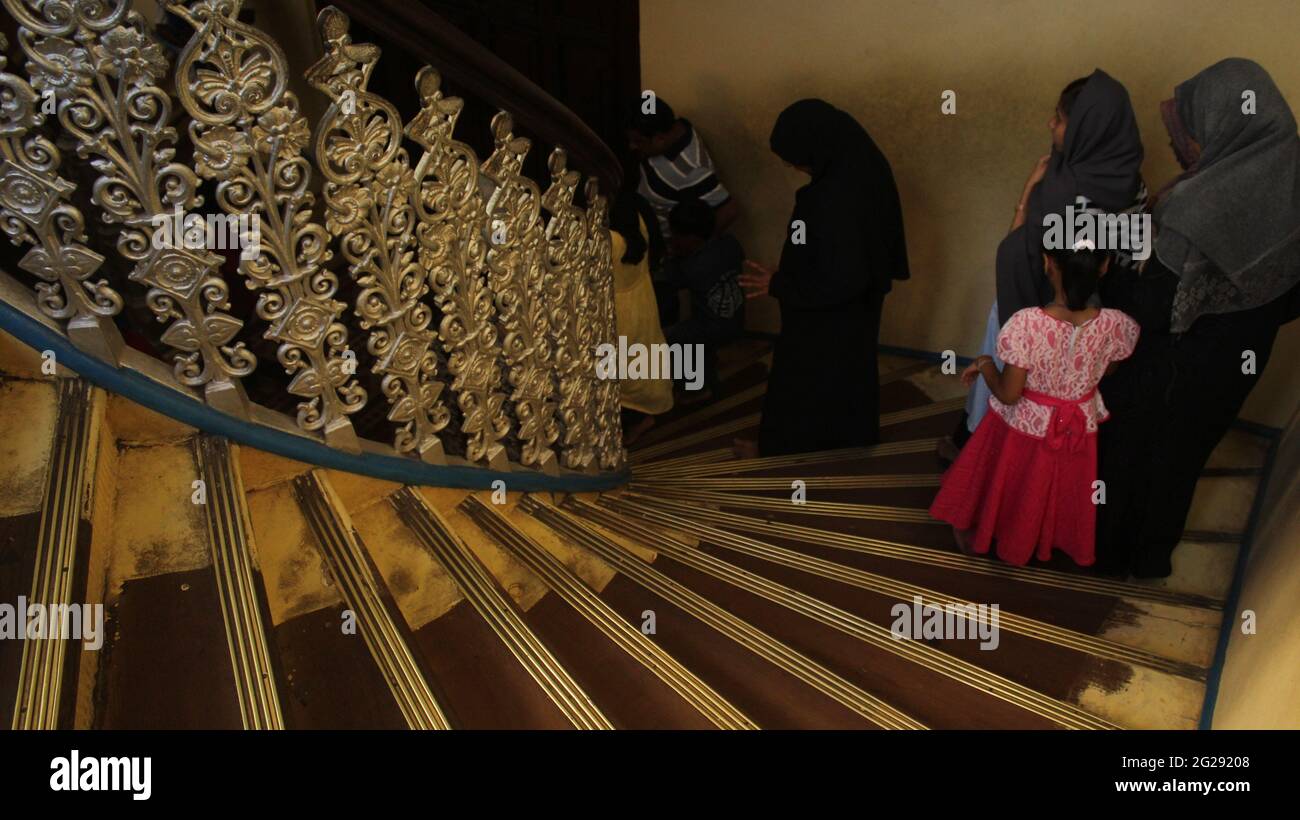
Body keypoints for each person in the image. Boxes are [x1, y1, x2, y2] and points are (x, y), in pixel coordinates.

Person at [1095, 59, 1300, 578]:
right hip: (1238, 360)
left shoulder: (1198, 205)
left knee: (1134, 453)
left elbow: (1156, 308)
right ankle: (1150, 556)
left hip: (1172, 366)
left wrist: (1109, 273)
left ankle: (1112, 558)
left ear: (1219, 122)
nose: (1179, 143)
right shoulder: (1291, 179)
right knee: (1184, 458)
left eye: (1188, 128)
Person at [944, 71, 1146, 459]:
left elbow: (1019, 253)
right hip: (1086, 324)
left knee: (1010, 396)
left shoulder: (1063, 189)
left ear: (1087, 129)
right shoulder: (1130, 181)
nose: (1050, 123)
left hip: (1032, 316)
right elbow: (1126, 259)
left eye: (1060, 117)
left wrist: (1026, 195)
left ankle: (978, 458)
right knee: (1053, 410)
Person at [930, 239, 1139, 567]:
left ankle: (994, 533)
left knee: (1016, 483)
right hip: (1077, 428)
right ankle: (1041, 541)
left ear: (1047, 264)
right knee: (1057, 488)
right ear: (1104, 267)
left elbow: (1010, 394)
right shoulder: (1117, 325)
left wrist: (985, 363)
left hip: (1023, 429)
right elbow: (1108, 368)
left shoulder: (1028, 324)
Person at [739, 99, 909, 456]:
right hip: (856, 304)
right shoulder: (863, 165)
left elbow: (841, 274)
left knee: (802, 373)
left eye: (794, 157)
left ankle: (783, 446)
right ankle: (848, 439)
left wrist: (780, 284)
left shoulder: (833, 196)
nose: (791, 165)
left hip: (825, 305)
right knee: (849, 369)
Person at [627, 95, 739, 327]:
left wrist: (686, 253)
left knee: (657, 313)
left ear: (659, 139)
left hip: (662, 254)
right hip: (650, 243)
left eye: (639, 142)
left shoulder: (691, 170)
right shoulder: (677, 129)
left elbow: (728, 210)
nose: (632, 147)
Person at [663, 199, 746, 399]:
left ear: (691, 238)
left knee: (669, 338)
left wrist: (672, 256)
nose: (672, 239)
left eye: (676, 235)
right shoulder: (730, 243)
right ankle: (708, 378)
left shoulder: (693, 266)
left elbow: (670, 278)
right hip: (736, 319)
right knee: (697, 341)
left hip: (710, 327)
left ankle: (694, 390)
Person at [609, 191, 674, 443]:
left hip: (617, 309)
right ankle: (645, 416)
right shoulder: (639, 214)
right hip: (642, 298)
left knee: (622, 374)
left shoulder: (609, 240)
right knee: (643, 364)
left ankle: (631, 424)